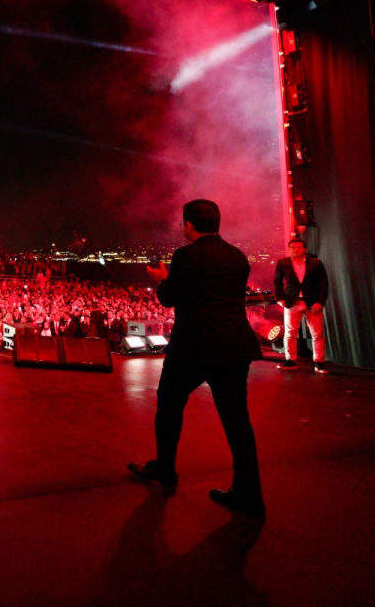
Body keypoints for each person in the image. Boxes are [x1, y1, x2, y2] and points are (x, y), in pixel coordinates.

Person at [128, 200, 266, 519]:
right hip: (233, 346)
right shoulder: (237, 256)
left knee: (169, 407)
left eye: (182, 224)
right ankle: (250, 494)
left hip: (194, 347)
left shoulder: (186, 255)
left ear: (189, 225)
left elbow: (168, 297)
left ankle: (165, 469)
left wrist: (162, 277)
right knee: (237, 423)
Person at [274, 237, 330, 373]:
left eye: (299, 247)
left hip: (312, 303)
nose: (296, 250)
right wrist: (280, 298)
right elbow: (277, 281)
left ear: (304, 249)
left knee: (317, 334)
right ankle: (290, 360)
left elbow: (323, 284)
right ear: (289, 249)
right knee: (290, 333)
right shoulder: (283, 263)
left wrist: (320, 302)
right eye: (293, 247)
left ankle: (319, 362)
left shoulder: (316, 263)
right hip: (292, 302)